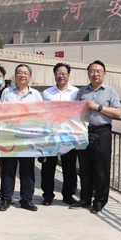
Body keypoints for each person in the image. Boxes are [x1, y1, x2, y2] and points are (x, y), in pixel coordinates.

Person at [73, 60, 121, 214]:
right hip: (84, 131)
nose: (95, 74)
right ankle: (85, 199)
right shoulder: (82, 92)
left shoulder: (110, 91)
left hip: (102, 132)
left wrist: (98, 107)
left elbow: (117, 112)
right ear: (88, 73)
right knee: (84, 168)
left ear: (104, 73)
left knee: (101, 169)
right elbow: (75, 109)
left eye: (98, 71)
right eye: (92, 71)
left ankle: (100, 201)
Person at [0, 64, 42, 212]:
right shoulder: (7, 92)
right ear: (15, 76)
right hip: (10, 136)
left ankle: (26, 199)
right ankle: (6, 198)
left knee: (27, 169)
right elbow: (1, 112)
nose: (22, 75)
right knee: (8, 169)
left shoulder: (36, 94)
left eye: (25, 73)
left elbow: (40, 115)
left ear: (30, 77)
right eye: (19, 73)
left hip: (28, 137)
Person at [40, 62, 80, 206]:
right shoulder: (47, 93)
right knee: (48, 167)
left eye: (64, 73)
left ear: (68, 75)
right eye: (58, 73)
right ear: (54, 75)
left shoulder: (76, 93)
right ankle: (48, 195)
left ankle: (68, 194)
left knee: (69, 166)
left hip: (69, 135)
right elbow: (42, 113)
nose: (61, 76)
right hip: (51, 135)